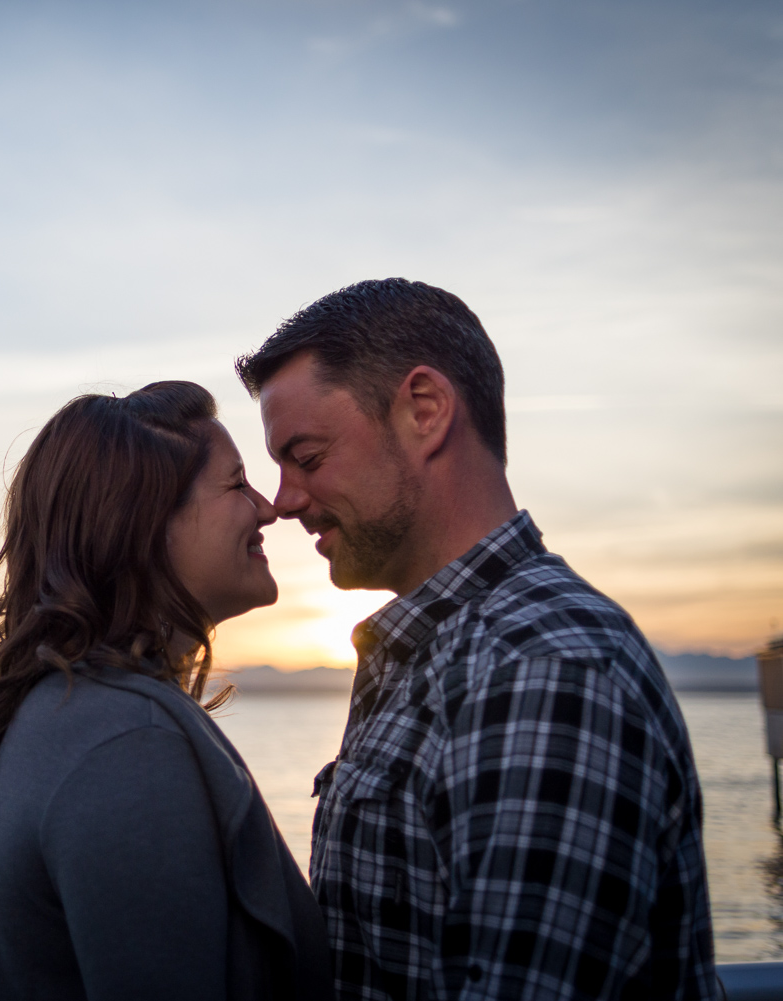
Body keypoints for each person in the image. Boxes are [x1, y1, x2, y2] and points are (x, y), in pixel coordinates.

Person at [235, 278, 718, 1001]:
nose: (283, 500)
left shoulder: (542, 668)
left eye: (305, 455)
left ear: (424, 412)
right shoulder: (432, 655)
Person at [0, 381, 334, 1000]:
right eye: (235, 484)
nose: (267, 507)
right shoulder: (125, 740)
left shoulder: (80, 710)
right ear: (143, 523)